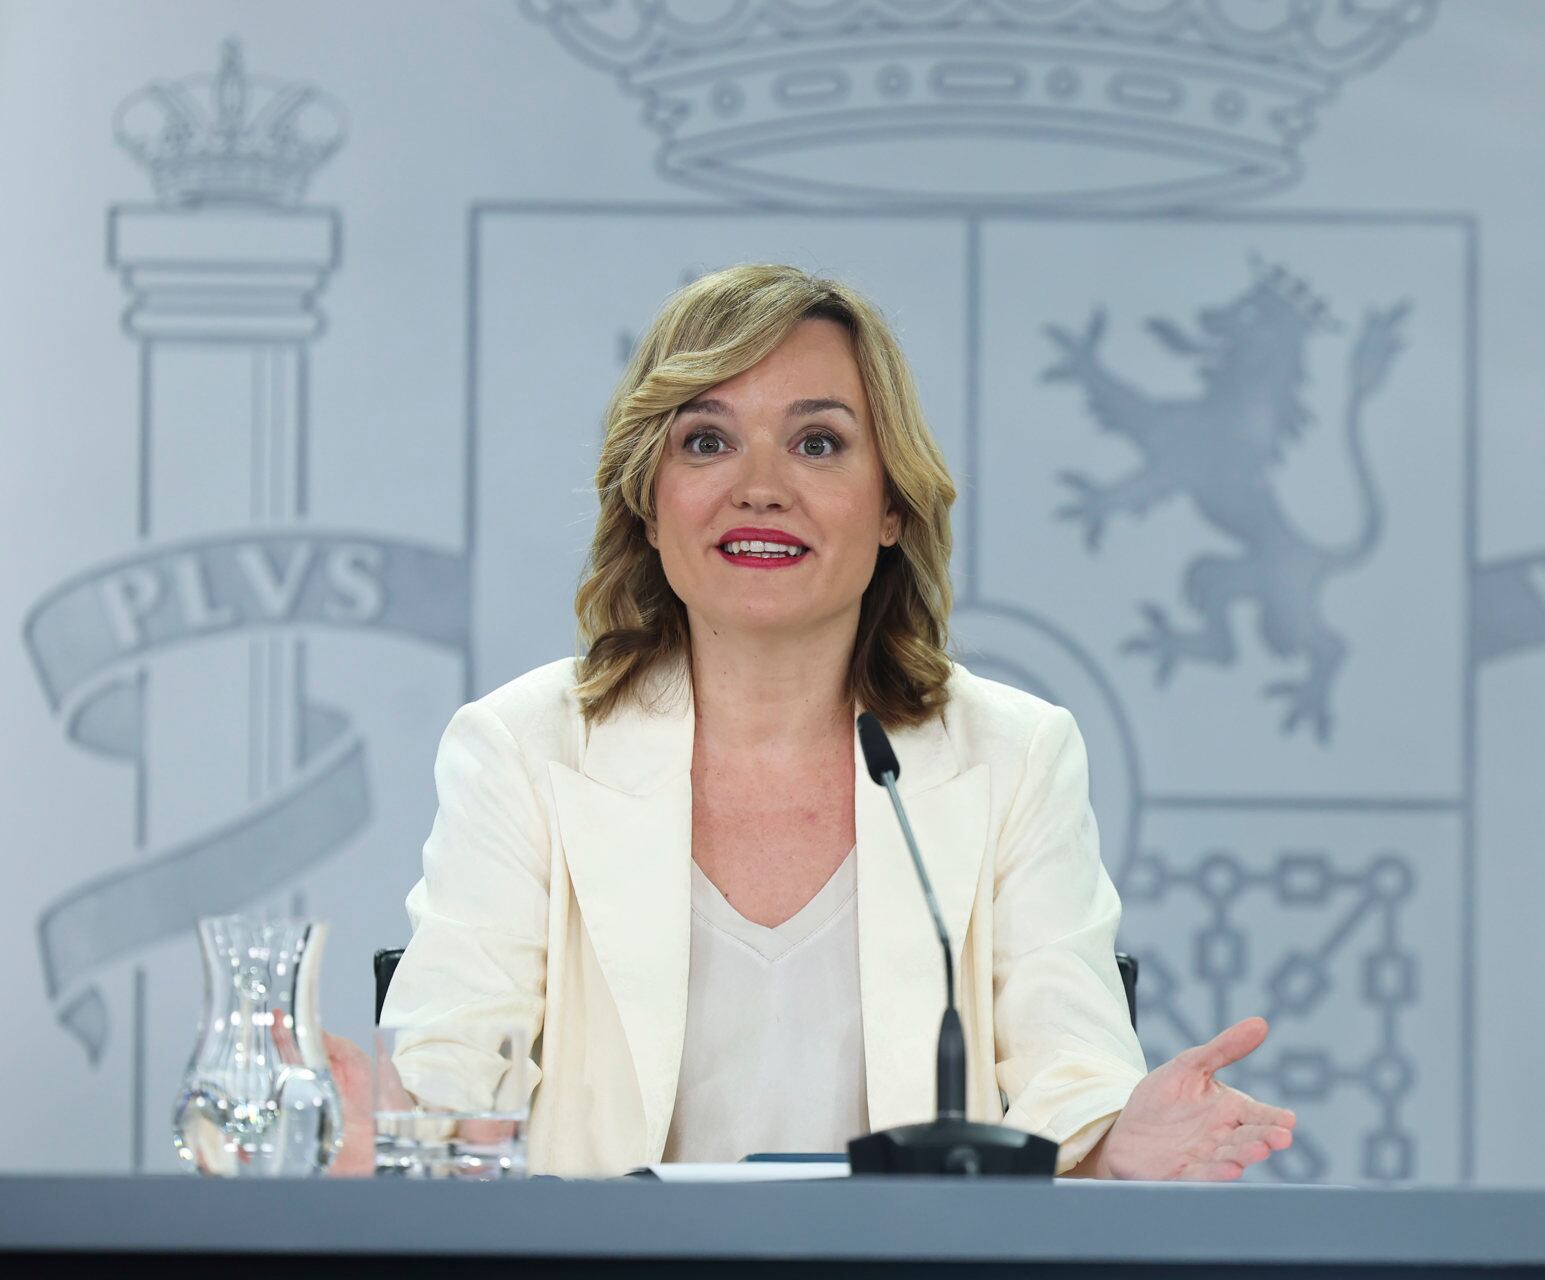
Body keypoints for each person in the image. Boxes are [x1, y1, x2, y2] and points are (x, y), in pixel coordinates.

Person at [328, 264, 1295, 1179]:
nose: (760, 485)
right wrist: (408, 1121)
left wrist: (1115, 1135)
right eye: (706, 441)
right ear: (649, 504)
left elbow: (1066, 1064)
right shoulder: (526, 749)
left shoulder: (1013, 756)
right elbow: (456, 1060)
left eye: (818, 442)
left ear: (889, 507)